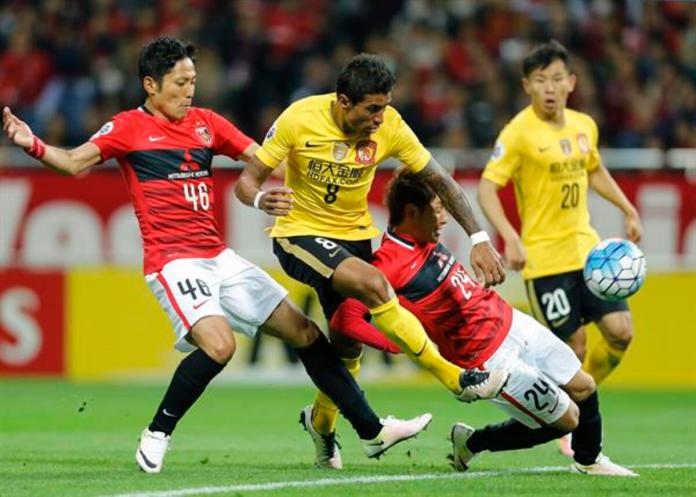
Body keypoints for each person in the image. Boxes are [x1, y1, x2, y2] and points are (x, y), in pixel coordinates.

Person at [2, 37, 443, 474]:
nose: (189, 90)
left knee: (307, 333)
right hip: (173, 260)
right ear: (151, 85)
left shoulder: (206, 123)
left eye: (193, 80)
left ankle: (370, 431)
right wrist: (33, 144)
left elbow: (264, 160)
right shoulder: (127, 128)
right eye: (179, 82)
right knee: (220, 345)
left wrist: (277, 190)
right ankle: (157, 433)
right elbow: (74, 162)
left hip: (218, 257)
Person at [235, 53, 509, 469]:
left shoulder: (392, 126)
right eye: (372, 109)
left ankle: (321, 425)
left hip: (356, 239)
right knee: (376, 285)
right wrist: (260, 199)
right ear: (343, 102)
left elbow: (440, 180)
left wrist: (479, 237)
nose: (381, 118)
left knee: (346, 347)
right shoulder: (298, 118)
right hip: (299, 234)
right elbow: (246, 181)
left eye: (385, 106)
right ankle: (455, 379)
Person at [332, 170, 637, 476]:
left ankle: (590, 460)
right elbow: (345, 321)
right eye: (438, 211)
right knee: (567, 419)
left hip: (512, 321)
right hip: (488, 359)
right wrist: (401, 345)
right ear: (412, 212)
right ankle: (474, 441)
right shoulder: (387, 265)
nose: (444, 220)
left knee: (584, 386)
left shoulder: (425, 238)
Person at [477, 40, 643, 456]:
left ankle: (575, 405)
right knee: (575, 349)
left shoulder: (584, 125)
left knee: (621, 334)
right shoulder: (517, 133)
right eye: (539, 80)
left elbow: (595, 169)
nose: (549, 88)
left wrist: (627, 208)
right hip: (545, 261)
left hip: (588, 255)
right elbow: (486, 188)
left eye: (556, 79)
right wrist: (509, 237)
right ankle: (568, 420)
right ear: (526, 86)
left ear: (571, 81)